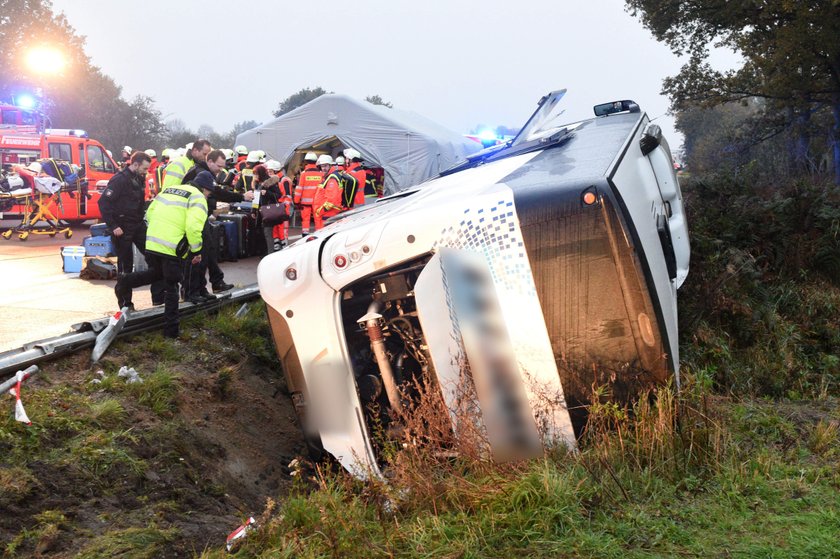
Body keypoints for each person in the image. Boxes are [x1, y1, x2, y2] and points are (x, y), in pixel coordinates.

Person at [115, 171, 211, 338]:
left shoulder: (169, 190)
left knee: (156, 274)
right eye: (210, 192)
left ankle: (125, 281)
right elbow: (194, 227)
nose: (209, 196)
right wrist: (196, 251)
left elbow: (149, 214)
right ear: (205, 189)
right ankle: (171, 332)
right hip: (171, 248)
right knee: (172, 286)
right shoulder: (198, 198)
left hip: (152, 242)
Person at [181, 149, 254, 302]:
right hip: (195, 217)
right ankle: (194, 290)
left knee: (208, 251)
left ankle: (209, 285)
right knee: (199, 255)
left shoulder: (206, 173)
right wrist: (241, 197)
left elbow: (215, 192)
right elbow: (217, 193)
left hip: (201, 215)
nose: (221, 170)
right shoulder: (200, 174)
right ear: (210, 162)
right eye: (219, 166)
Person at [99, 151, 152, 276]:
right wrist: (113, 226)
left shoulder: (139, 178)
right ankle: (124, 291)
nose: (146, 171)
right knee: (125, 265)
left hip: (137, 224)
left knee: (152, 254)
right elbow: (103, 203)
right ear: (135, 164)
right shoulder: (119, 180)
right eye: (144, 168)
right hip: (122, 227)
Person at [293, 152, 323, 235]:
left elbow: (299, 189)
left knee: (306, 219)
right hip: (317, 202)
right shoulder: (321, 174)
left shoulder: (304, 174)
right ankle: (319, 234)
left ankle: (305, 234)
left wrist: (296, 201)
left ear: (306, 161)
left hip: (305, 203)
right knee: (318, 219)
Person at [312, 154, 344, 230]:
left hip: (328, 214)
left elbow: (331, 201)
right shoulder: (329, 177)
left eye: (325, 166)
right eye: (322, 166)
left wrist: (320, 210)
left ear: (330, 165)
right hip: (327, 214)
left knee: (324, 236)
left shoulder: (332, 179)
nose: (323, 168)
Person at [266, 159, 293, 249]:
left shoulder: (284, 180)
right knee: (275, 230)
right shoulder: (272, 180)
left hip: (282, 209)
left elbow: (287, 196)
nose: (268, 173)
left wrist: (284, 209)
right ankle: (277, 247)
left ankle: (284, 248)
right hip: (275, 209)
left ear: (276, 171)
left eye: (270, 171)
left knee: (282, 231)